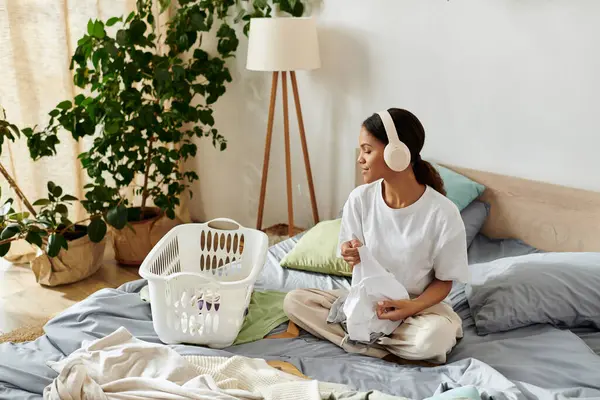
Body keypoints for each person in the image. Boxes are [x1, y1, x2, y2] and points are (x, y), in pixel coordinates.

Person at [283, 108, 468, 364]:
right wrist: (351, 253)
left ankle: (361, 339)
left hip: (419, 308)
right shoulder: (360, 199)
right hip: (369, 301)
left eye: (367, 150)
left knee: (433, 339)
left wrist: (411, 307)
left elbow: (444, 281)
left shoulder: (443, 213)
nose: (360, 159)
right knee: (295, 301)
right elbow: (355, 261)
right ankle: (380, 346)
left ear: (397, 153)